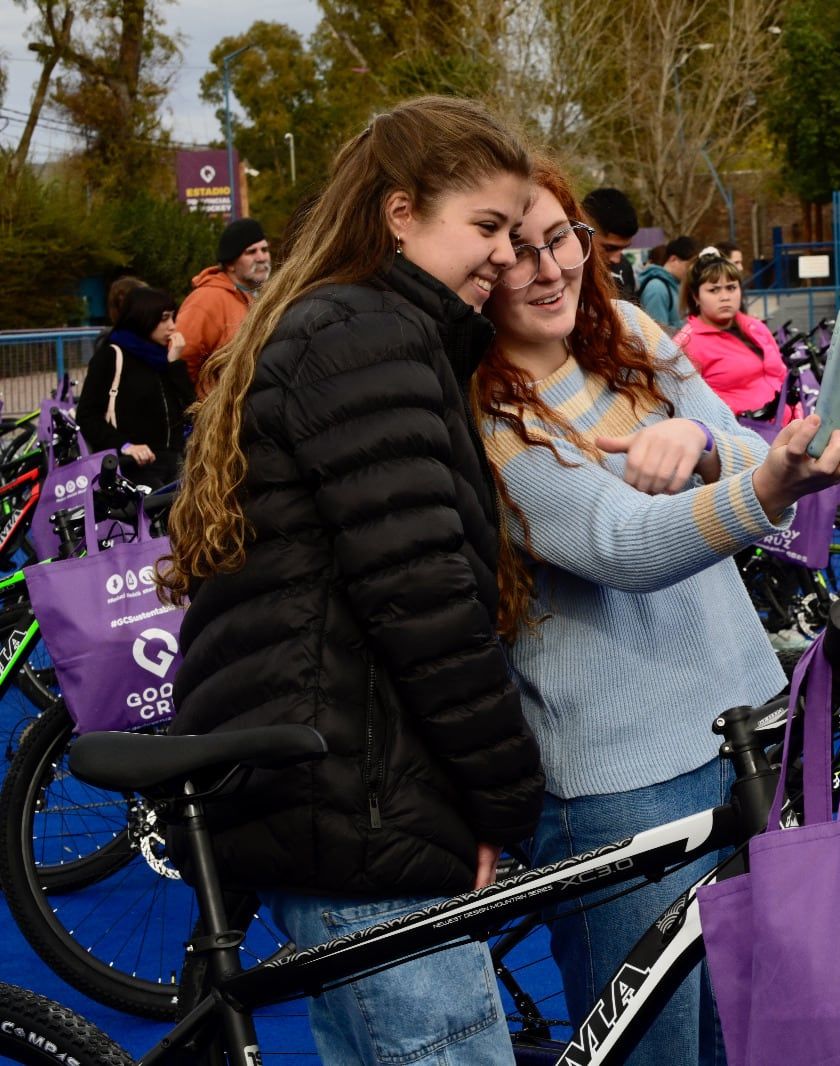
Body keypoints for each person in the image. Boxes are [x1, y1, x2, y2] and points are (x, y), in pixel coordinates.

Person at [158, 96, 546, 1065]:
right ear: (401, 213)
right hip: (357, 799)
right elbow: (421, 600)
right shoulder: (367, 338)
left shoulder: (352, 323)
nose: (504, 255)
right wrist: (505, 800)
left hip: (331, 785)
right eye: (486, 228)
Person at [477, 155, 840, 1065]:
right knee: (661, 1050)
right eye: (517, 252)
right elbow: (625, 546)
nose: (549, 269)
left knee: (751, 1029)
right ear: (478, 271)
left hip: (744, 731)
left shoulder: (631, 331)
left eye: (562, 240)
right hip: (619, 781)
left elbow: (735, 444)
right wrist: (765, 481)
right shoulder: (490, 413)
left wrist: (697, 441)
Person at [77, 286, 194, 489]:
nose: (172, 327)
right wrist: (125, 446)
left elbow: (190, 408)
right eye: (164, 318)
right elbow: (87, 416)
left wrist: (175, 365)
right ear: (143, 318)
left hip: (174, 463)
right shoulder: (111, 356)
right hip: (132, 467)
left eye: (173, 318)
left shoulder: (163, 358)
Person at [673, 249, 788, 418]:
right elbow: (684, 408)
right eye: (714, 290)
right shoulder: (686, 344)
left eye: (731, 288)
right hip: (741, 437)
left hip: (785, 426)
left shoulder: (755, 326)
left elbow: (780, 373)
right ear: (696, 296)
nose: (725, 297)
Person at [175, 217, 271, 386]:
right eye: (251, 252)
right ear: (230, 263)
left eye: (264, 250)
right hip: (217, 409)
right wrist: (202, 401)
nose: (262, 257)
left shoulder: (264, 296)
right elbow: (182, 358)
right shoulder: (207, 299)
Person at [582, 187, 641, 302]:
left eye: (624, 248)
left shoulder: (625, 268)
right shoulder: (560, 272)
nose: (617, 259)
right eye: (609, 248)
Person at [638, 235, 695, 329]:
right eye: (688, 266)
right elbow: (657, 333)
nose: (691, 271)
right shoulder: (657, 288)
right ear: (673, 259)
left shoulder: (676, 284)